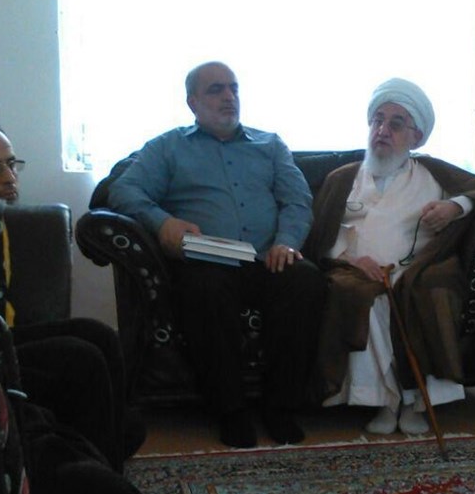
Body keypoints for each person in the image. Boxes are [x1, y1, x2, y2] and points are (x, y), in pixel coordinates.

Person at [108, 61, 326, 448]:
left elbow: (297, 199)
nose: (229, 96)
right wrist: (163, 223)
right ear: (192, 102)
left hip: (266, 257)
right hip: (208, 260)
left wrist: (287, 241)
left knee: (305, 279)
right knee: (204, 288)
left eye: (233, 88)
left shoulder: (270, 145)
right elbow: (123, 191)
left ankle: (281, 406)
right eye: (216, 89)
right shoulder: (168, 147)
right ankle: (230, 410)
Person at [0, 119, 143, 494]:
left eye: (12, 164)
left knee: (98, 334)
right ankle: (93, 466)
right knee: (79, 357)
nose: (9, 177)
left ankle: (102, 456)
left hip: (5, 336)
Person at [303, 78, 475, 434]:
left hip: (416, 269)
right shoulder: (343, 178)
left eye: (396, 123)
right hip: (354, 270)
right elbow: (321, 236)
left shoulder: (433, 174)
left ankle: (414, 402)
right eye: (377, 120)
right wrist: (352, 261)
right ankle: (387, 401)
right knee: (362, 294)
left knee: (424, 292)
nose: (382, 130)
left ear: (416, 137)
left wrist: (456, 206)